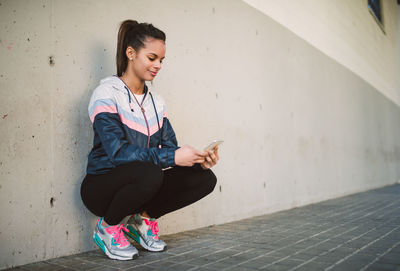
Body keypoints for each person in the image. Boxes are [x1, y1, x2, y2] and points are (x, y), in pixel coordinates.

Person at [80, 19, 219, 261]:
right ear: (131, 53)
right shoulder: (106, 94)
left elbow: (169, 150)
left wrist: (198, 161)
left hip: (142, 184)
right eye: (152, 58)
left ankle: (141, 222)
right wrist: (172, 156)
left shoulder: (157, 102)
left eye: (161, 60)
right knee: (150, 172)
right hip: (101, 187)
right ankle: (107, 229)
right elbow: (118, 153)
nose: (158, 65)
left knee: (204, 178)